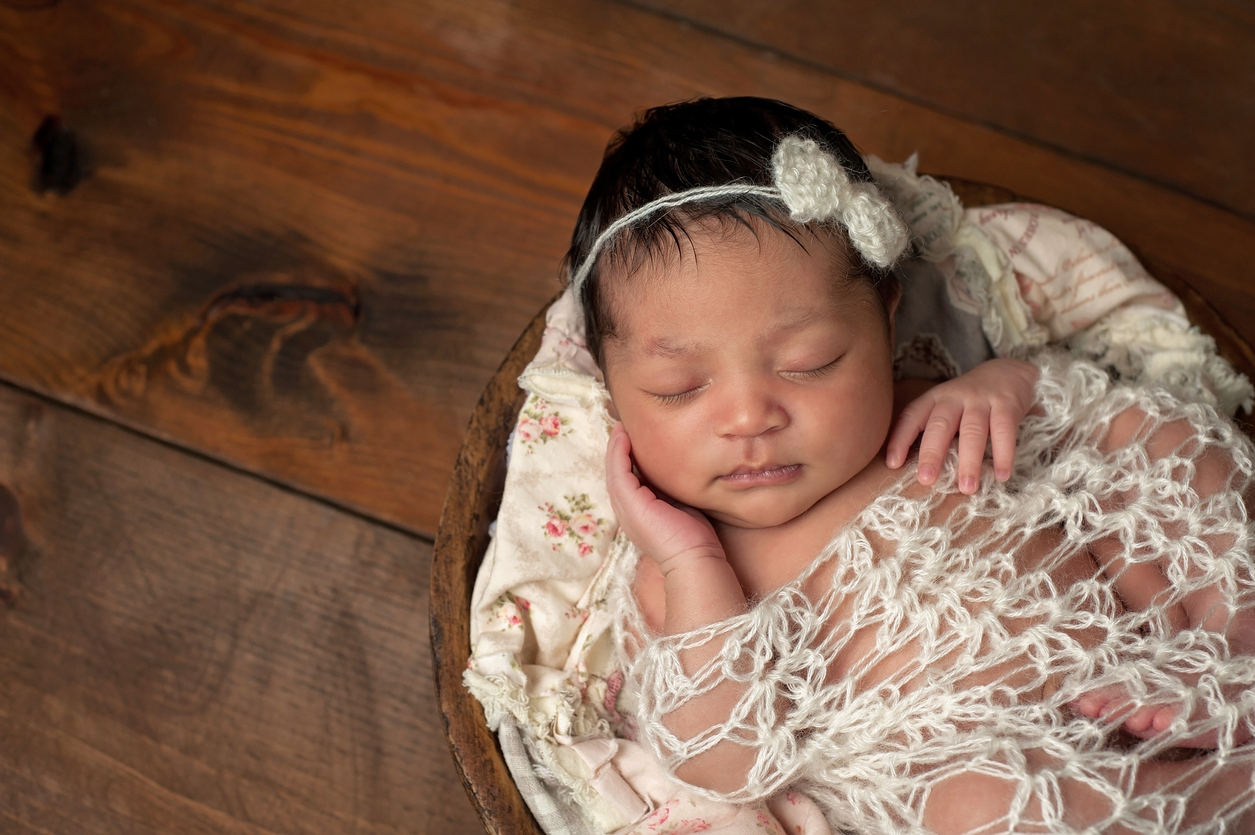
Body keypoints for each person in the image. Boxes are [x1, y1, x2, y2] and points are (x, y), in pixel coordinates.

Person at [565, 97, 1255, 833]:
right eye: (679, 388)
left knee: (1152, 427)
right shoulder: (672, 580)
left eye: (810, 362)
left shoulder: (926, 402)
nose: (747, 419)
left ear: (885, 320)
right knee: (986, 808)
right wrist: (689, 557)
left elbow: (1086, 444)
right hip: (1002, 777)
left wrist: (1017, 384)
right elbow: (725, 761)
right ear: (612, 389)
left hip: (1158, 634)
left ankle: (1239, 653)